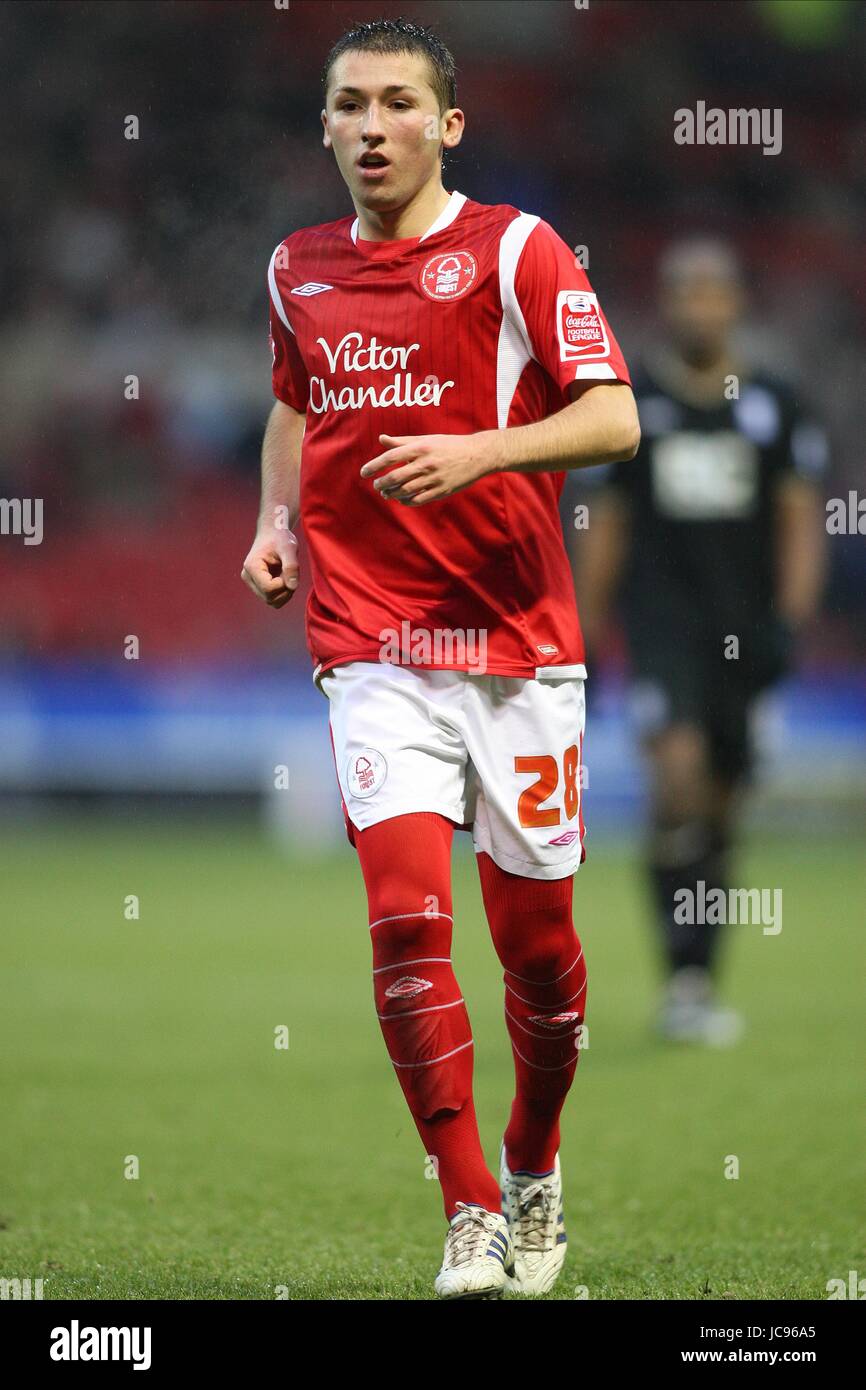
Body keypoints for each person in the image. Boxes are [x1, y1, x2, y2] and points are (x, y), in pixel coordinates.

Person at [241, 17, 639, 1299]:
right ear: (324, 126)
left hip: (517, 646)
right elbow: (296, 403)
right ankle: (468, 1206)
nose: (370, 126)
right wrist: (271, 523)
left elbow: (615, 416)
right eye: (348, 104)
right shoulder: (294, 268)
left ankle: (532, 1159)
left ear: (446, 124)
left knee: (535, 947)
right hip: (370, 645)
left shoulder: (517, 249)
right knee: (406, 922)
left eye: (397, 103)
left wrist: (478, 449)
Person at [575, 238, 827, 1045]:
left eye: (714, 292)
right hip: (662, 630)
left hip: (746, 634)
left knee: (721, 807)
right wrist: (582, 631)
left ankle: (696, 976)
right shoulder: (629, 401)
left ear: (737, 304)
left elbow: (799, 520)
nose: (700, 306)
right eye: (686, 292)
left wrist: (790, 620)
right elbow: (605, 525)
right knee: (677, 776)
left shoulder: (776, 404)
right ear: (667, 301)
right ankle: (682, 977)